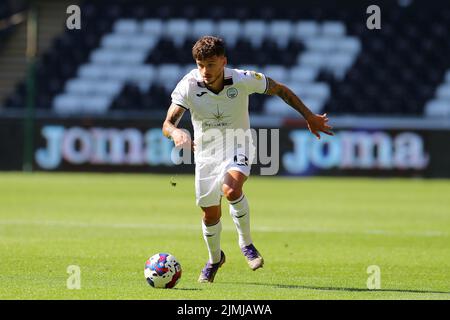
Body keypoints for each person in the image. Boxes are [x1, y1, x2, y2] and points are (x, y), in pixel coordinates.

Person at [162, 36, 333, 283]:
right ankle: (214, 260)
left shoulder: (242, 79)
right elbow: (167, 124)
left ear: (223, 61)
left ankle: (246, 244)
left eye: (210, 64)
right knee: (210, 215)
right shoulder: (188, 85)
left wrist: (309, 116)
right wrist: (176, 132)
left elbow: (280, 89)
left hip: (238, 144)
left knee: (231, 190)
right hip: (207, 154)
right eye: (200, 64)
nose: (204, 71)